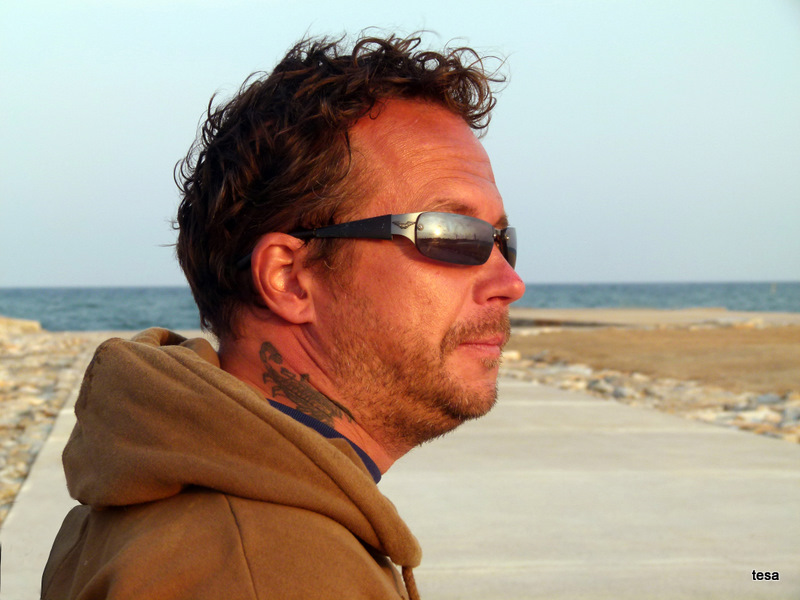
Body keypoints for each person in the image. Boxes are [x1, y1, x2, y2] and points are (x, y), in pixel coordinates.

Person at [41, 32, 525, 600]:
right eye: (452, 234)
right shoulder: (265, 569)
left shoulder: (168, 494)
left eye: (502, 241)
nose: (510, 283)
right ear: (289, 278)